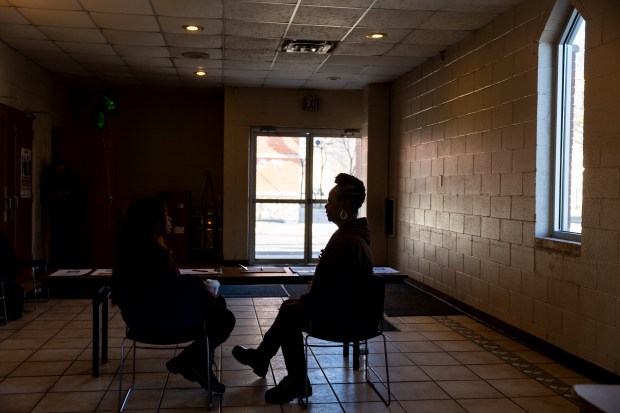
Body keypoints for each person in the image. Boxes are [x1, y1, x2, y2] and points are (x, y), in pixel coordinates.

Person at [232, 173, 373, 403]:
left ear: (344, 205)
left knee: (291, 313)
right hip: (354, 313)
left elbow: (330, 293)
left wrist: (308, 298)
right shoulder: (354, 237)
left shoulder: (347, 241)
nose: (326, 206)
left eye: (330, 201)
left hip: (346, 319)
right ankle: (268, 362)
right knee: (292, 308)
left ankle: (293, 378)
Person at [112, 196, 235, 394]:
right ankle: (186, 361)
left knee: (217, 305)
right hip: (164, 322)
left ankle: (197, 364)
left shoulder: (129, 251)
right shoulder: (155, 253)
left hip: (138, 322)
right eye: (166, 215)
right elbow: (168, 292)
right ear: (153, 221)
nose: (170, 219)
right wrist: (199, 291)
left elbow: (163, 291)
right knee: (224, 318)